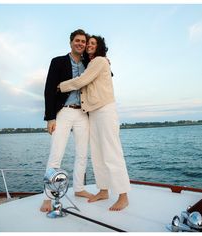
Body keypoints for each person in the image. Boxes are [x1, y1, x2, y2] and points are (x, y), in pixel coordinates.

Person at [58, 35, 130, 211]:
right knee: (97, 154)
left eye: (92, 43)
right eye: (88, 43)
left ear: (99, 47)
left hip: (105, 110)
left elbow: (81, 81)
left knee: (112, 153)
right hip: (93, 113)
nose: (89, 45)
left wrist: (61, 86)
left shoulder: (99, 61)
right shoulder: (92, 63)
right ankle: (103, 190)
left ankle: (123, 196)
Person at [40, 29, 93, 212]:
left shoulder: (89, 63)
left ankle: (79, 189)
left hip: (82, 113)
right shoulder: (58, 62)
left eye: (83, 42)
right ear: (71, 42)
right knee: (56, 154)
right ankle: (47, 196)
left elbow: (105, 75)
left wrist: (107, 61)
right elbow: (49, 90)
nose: (80, 44)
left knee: (81, 154)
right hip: (63, 112)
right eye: (77, 41)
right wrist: (50, 118)